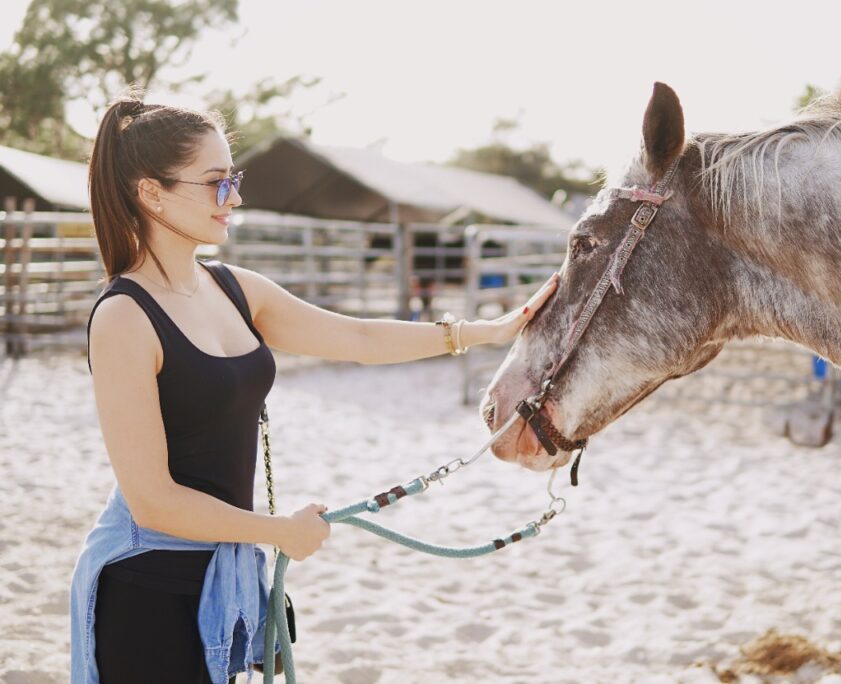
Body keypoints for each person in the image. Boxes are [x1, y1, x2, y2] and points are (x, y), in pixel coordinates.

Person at [68, 94, 559, 684]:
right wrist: (278, 532)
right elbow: (152, 500)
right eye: (216, 183)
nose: (236, 198)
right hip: (148, 581)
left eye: (235, 179)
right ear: (152, 193)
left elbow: (358, 336)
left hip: (220, 571)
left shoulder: (231, 288)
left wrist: (487, 332)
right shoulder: (123, 316)